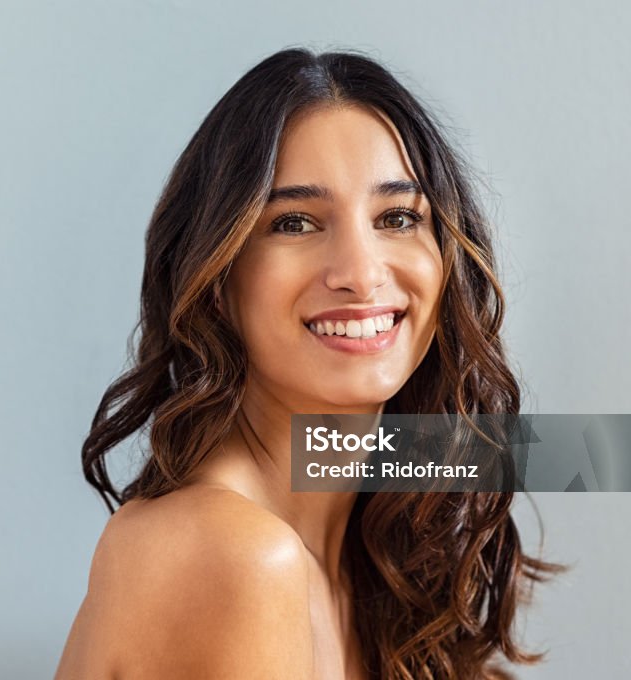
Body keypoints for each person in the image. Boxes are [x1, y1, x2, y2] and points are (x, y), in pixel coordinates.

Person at [55, 47, 558, 680]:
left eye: (397, 217)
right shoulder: (233, 554)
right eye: (294, 222)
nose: (361, 274)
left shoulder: (378, 535)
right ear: (216, 278)